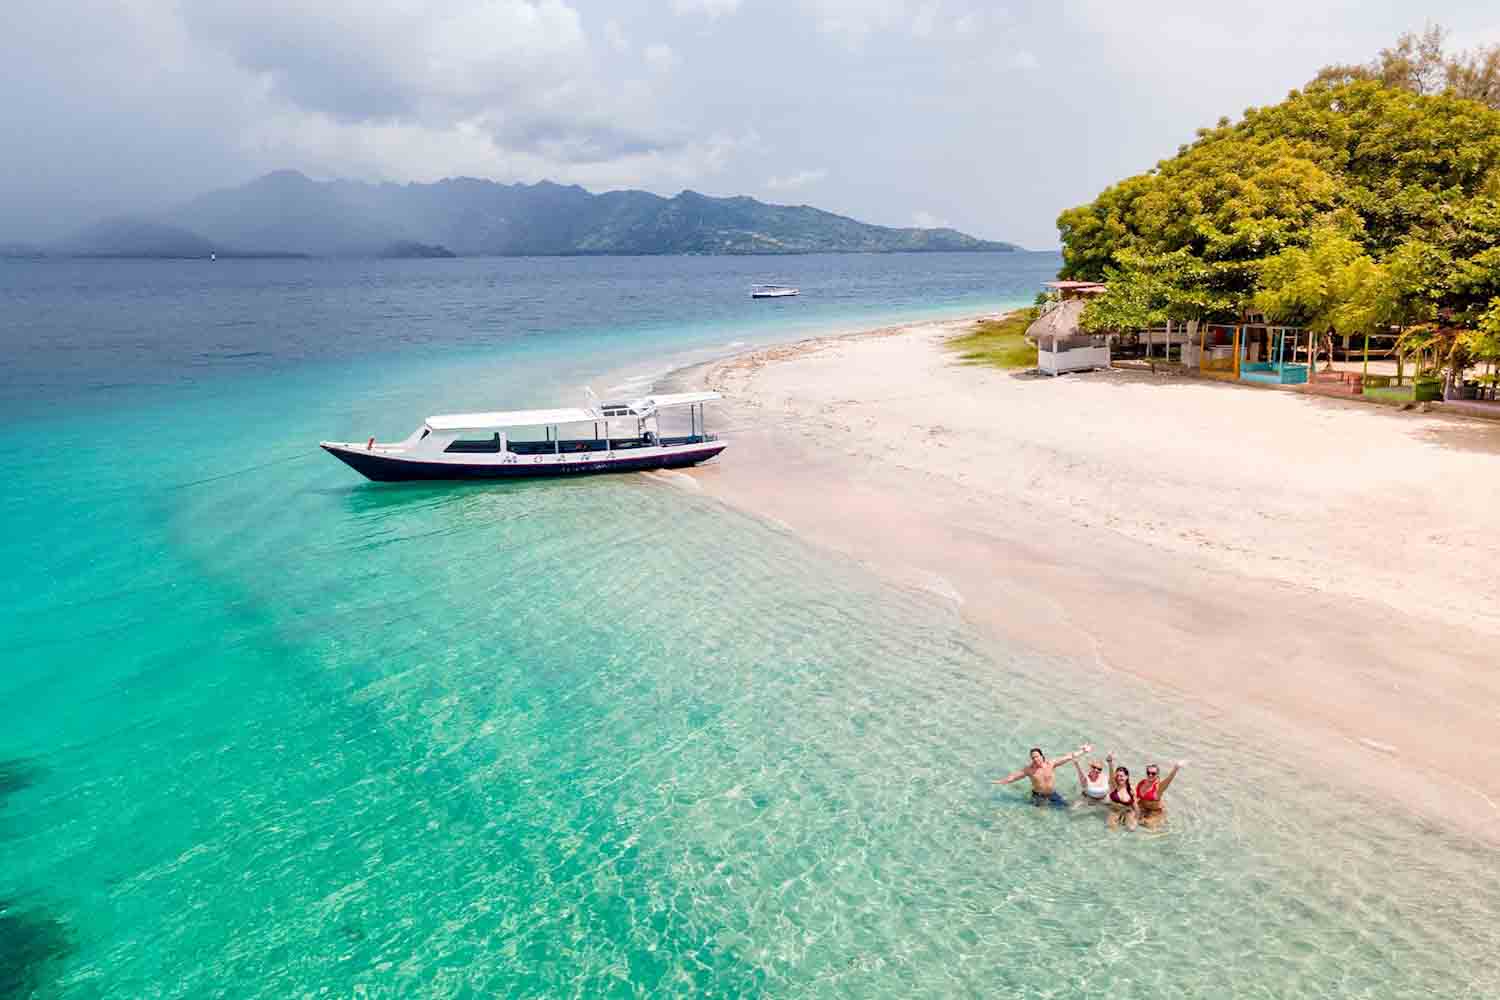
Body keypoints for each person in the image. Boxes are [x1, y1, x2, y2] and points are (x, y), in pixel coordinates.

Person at [993, 743, 1092, 808]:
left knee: (1066, 808)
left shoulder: (1051, 764)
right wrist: (1000, 781)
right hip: (1038, 796)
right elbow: (1014, 777)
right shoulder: (1029, 770)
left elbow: (1069, 757)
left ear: (1042, 756)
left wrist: (1083, 751)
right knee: (1040, 816)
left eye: (1036, 756)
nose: (1035, 759)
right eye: (1033, 758)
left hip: (1052, 794)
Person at [1135, 760, 1186, 828]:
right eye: (1148, 773)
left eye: (1153, 773)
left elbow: (1169, 779)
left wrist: (1176, 767)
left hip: (1154, 811)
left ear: (1157, 775)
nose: (1150, 775)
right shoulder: (1141, 783)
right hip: (1142, 807)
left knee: (1148, 826)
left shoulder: (1159, 787)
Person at [1107, 762, 1139, 830]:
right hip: (1115, 811)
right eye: (1117, 776)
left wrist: (1137, 817)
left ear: (1127, 777)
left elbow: (1135, 805)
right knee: (1111, 828)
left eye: (1121, 776)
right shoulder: (1113, 786)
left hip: (1128, 811)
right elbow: (1111, 776)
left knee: (1132, 828)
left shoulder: (1131, 789)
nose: (1119, 778)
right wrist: (1110, 764)